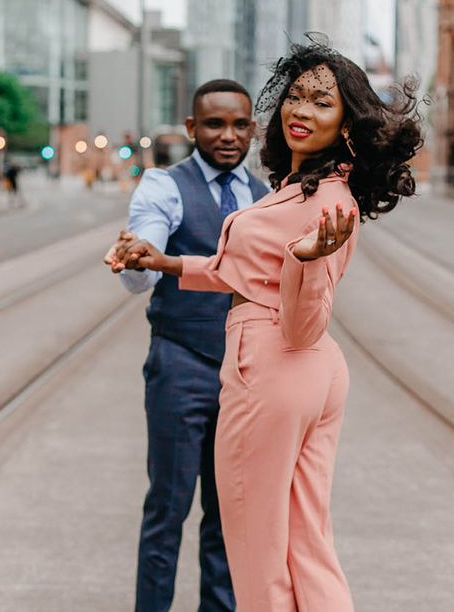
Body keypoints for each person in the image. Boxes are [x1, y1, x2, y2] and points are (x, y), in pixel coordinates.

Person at [108, 38, 423, 611]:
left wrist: (305, 264)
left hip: (274, 365)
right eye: (296, 96)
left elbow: (303, 323)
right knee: (305, 543)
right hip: (306, 373)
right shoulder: (298, 189)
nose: (302, 111)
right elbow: (243, 271)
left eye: (322, 103)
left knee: (255, 549)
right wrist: (164, 261)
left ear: (347, 124)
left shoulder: (328, 204)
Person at [108, 79, 270, 611]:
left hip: (245, 377)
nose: (228, 136)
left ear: (253, 128)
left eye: (239, 124)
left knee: (229, 518)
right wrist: (140, 255)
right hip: (180, 364)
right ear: (191, 128)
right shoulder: (164, 186)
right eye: (214, 124)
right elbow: (144, 258)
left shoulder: (266, 198)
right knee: (168, 509)